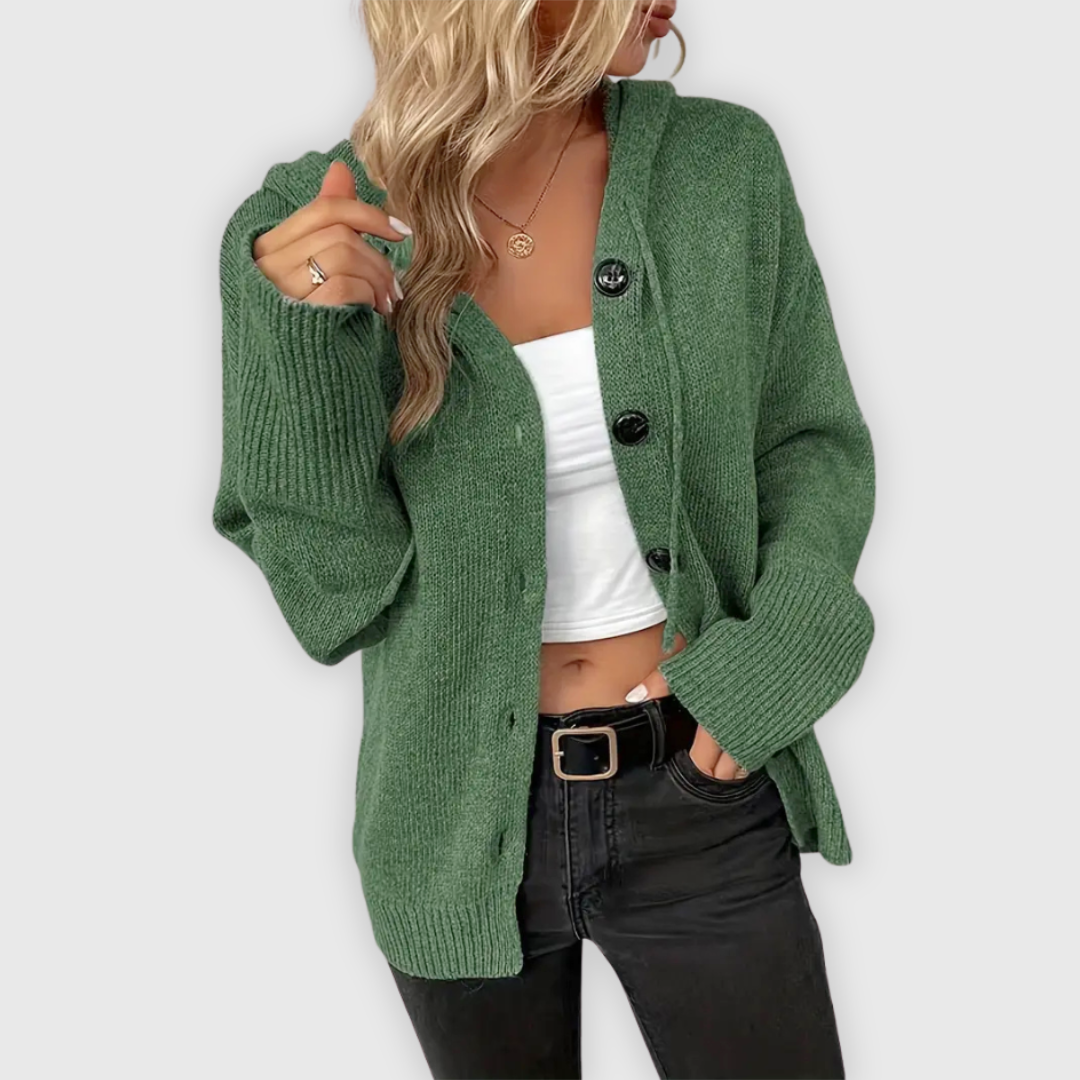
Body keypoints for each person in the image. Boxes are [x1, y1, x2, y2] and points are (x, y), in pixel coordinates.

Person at [212, 1, 875, 1076]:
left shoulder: (721, 165)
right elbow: (335, 598)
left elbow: (810, 445)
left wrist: (779, 657)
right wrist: (306, 348)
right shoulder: (307, 227)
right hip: (451, 819)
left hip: (698, 782)